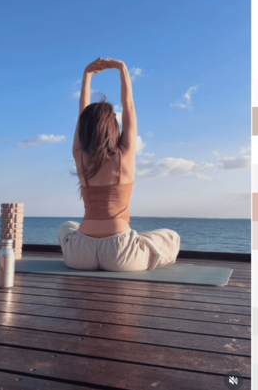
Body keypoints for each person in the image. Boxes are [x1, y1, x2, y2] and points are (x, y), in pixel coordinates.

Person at [58, 57, 180, 272]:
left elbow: (82, 114)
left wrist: (87, 75)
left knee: (66, 227)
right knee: (171, 236)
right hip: (120, 252)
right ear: (113, 127)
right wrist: (122, 68)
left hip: (80, 254)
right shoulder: (125, 154)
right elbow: (129, 106)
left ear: (84, 129)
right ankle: (139, 244)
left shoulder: (80, 155)